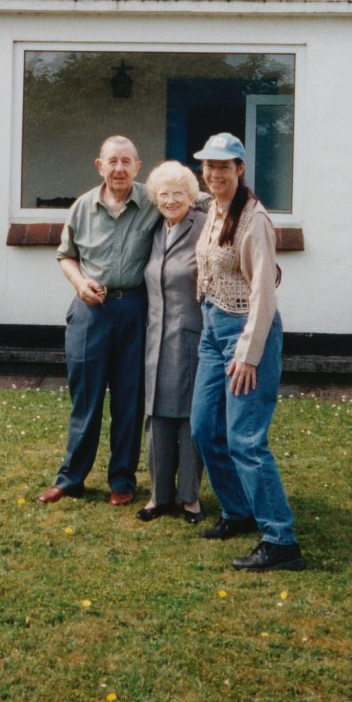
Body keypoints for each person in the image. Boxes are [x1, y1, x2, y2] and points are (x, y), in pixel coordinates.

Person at [190, 132, 305, 571]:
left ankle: (281, 540)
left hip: (246, 333)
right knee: (205, 429)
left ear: (240, 169)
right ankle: (238, 510)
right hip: (212, 329)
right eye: (208, 165)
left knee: (246, 439)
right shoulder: (213, 208)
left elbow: (263, 293)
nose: (214, 173)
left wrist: (249, 354)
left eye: (224, 166)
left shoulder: (254, 220)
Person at [37, 135, 160, 507]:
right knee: (85, 400)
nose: (119, 168)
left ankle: (122, 479)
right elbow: (65, 255)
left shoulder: (154, 201)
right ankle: (71, 479)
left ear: (138, 167)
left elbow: (192, 200)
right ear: (99, 165)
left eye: (127, 161)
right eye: (113, 161)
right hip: (91, 311)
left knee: (129, 399)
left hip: (135, 310)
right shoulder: (82, 207)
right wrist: (80, 283)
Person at [137, 161, 206, 525]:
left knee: (190, 416)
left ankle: (190, 497)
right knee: (157, 414)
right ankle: (159, 495)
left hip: (191, 334)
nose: (170, 200)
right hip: (156, 336)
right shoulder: (155, 228)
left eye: (179, 193)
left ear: (191, 196)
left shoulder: (204, 225)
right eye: (163, 194)